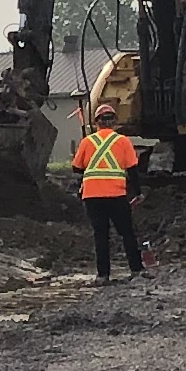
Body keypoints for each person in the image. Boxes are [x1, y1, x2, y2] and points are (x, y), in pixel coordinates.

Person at [74, 110, 146, 279]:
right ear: (114, 122)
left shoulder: (87, 141)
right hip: (116, 195)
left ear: (97, 122)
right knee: (126, 232)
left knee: (100, 235)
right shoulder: (123, 141)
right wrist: (138, 193)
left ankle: (103, 275)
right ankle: (136, 269)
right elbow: (132, 170)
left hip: (92, 196)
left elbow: (76, 168)